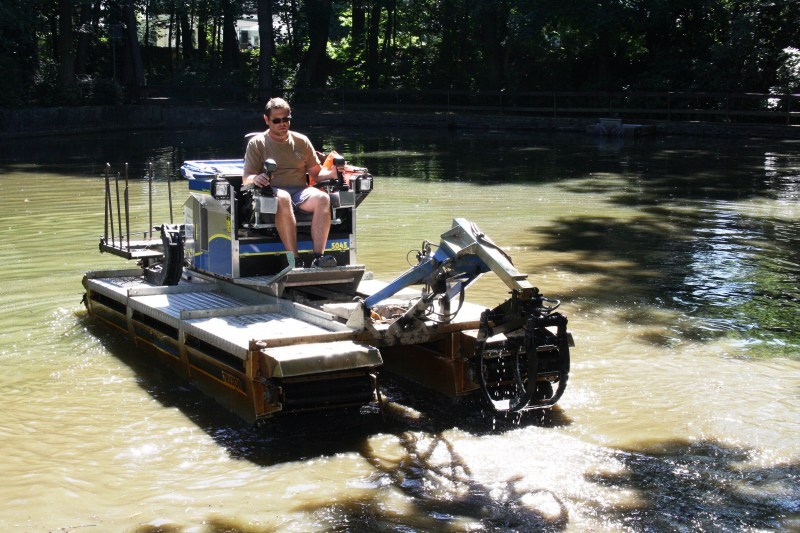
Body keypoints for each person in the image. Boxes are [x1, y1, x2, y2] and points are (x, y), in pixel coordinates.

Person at [242, 97, 341, 269]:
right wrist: (256, 178)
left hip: (300, 191)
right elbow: (247, 178)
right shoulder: (257, 143)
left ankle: (319, 257)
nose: (282, 123)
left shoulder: (302, 141)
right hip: (273, 192)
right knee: (283, 197)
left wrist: (332, 173)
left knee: (323, 198)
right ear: (267, 120)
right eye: (277, 120)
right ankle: (294, 259)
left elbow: (316, 174)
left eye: (286, 119)